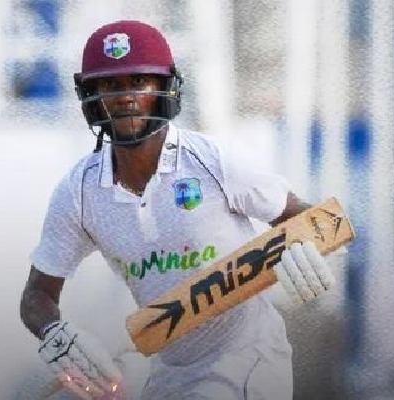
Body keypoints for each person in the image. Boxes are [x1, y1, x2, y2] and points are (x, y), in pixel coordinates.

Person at [20, 20, 337, 400]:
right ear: (91, 95)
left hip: (250, 361)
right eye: (110, 85)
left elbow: (315, 219)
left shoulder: (212, 161)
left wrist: (302, 244)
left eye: (139, 82)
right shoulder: (79, 193)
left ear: (164, 89)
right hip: (170, 375)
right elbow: (36, 297)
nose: (125, 97)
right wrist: (55, 336)